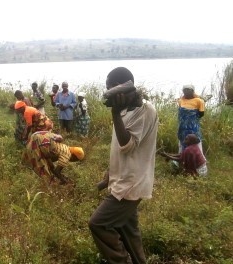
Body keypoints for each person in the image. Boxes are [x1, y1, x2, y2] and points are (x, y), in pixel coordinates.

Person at [89, 67, 158, 264]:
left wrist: (115, 115)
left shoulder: (144, 110)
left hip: (131, 183)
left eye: (110, 88)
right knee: (129, 230)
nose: (108, 93)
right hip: (123, 179)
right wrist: (111, 171)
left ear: (124, 88)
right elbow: (120, 151)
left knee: (99, 224)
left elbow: (127, 145)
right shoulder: (126, 110)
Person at [178, 84, 205, 154]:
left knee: (195, 141)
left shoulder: (199, 101)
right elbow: (180, 113)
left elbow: (201, 114)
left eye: (188, 89)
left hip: (193, 127)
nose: (186, 91)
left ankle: (198, 160)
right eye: (184, 90)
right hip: (183, 126)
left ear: (192, 91)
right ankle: (182, 159)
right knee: (183, 141)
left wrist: (191, 119)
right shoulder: (181, 101)